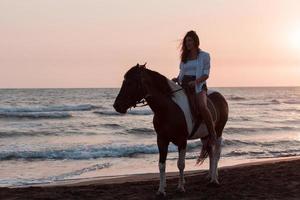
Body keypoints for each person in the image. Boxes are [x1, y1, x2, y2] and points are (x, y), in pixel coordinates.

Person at [172, 30, 217, 143]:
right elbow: (182, 72)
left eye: (190, 40)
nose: (188, 43)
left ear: (195, 41)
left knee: (202, 105)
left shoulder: (204, 56)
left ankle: (212, 133)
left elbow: (206, 75)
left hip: (199, 85)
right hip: (185, 84)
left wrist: (196, 82)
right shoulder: (184, 57)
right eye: (186, 41)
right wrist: (177, 79)